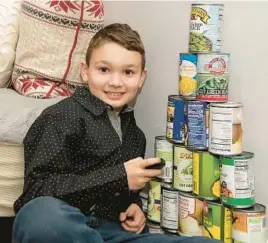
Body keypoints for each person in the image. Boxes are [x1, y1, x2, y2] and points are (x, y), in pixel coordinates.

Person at [12, 23, 221, 243]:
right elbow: (35, 192)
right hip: (66, 227)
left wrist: (135, 208)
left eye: (128, 72)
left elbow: (125, 193)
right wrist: (119, 177)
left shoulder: (135, 135)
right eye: (104, 70)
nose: (115, 82)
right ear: (85, 71)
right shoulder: (61, 117)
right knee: (42, 216)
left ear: (141, 78)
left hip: (112, 232)